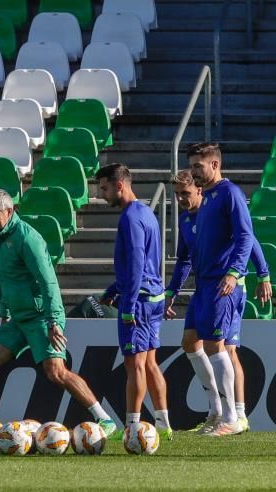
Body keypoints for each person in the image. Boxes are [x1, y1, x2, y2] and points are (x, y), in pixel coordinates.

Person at [0, 189, 119, 438]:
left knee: (56, 372)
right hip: (18, 319)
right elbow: (9, 280)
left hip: (40, 317)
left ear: (10, 211)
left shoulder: (28, 239)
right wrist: (6, 312)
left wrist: (54, 321)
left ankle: (104, 419)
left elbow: (48, 282)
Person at [166, 170, 271, 433]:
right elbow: (184, 259)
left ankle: (237, 414)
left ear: (199, 190)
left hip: (229, 286)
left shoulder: (217, 212)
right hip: (204, 287)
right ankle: (215, 410)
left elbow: (249, 239)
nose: (180, 198)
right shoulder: (186, 219)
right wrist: (172, 292)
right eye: (177, 194)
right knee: (190, 342)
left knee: (227, 349)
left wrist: (263, 274)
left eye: (185, 193)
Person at [97, 164, 173, 441]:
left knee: (135, 364)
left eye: (104, 188)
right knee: (150, 362)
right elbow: (140, 263)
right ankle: (164, 424)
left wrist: (126, 303)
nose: (102, 195)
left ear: (119, 185)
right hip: (153, 296)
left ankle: (133, 426)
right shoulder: (145, 213)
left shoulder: (130, 217)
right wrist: (113, 288)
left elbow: (138, 261)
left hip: (138, 300)